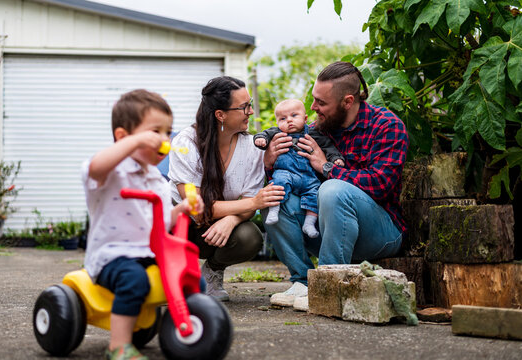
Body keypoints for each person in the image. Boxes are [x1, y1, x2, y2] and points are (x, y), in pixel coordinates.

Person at [262, 61, 409, 307]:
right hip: (329, 230)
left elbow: (380, 185)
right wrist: (270, 162)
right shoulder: (313, 131)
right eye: (314, 99)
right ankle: (303, 282)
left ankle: (327, 287)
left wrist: (326, 167)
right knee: (273, 197)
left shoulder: (386, 126)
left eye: (321, 103)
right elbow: (292, 177)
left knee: (333, 189)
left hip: (380, 232)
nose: (313, 107)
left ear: (348, 102)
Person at [81, 89, 204, 360]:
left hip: (149, 253)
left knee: (193, 278)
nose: (164, 140)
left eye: (167, 132)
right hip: (113, 256)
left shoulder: (157, 180)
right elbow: (95, 168)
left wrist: (182, 209)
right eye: (155, 133)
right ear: (124, 137)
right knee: (134, 280)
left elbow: (159, 221)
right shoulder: (111, 171)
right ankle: (119, 345)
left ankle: (191, 329)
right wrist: (134, 142)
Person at [169, 76, 285, 302]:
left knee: (249, 236)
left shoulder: (252, 149)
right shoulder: (186, 143)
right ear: (220, 115)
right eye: (244, 107)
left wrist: (231, 220)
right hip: (180, 227)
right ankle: (168, 273)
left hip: (216, 229)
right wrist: (253, 203)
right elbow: (195, 207)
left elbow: (249, 203)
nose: (250, 111)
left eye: (250, 104)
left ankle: (212, 271)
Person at [253, 99, 344, 238]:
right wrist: (261, 140)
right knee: (278, 183)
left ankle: (309, 223)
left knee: (315, 194)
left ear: (305, 118)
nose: (289, 120)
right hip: (286, 172)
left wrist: (335, 159)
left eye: (294, 116)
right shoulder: (277, 133)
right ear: (277, 123)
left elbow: (327, 147)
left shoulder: (314, 134)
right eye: (283, 118)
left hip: (309, 177)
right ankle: (274, 209)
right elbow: (264, 134)